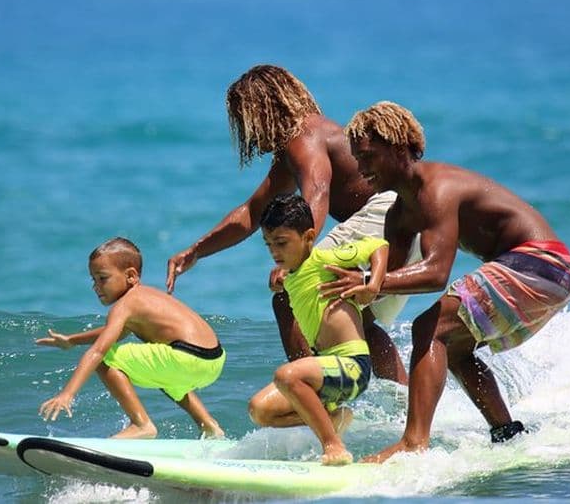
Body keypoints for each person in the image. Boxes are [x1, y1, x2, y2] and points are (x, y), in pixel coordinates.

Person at [321, 101, 570, 462]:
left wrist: (367, 281)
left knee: (431, 326)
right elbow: (384, 282)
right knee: (454, 346)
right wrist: (336, 309)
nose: (361, 170)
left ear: (398, 150)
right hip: (545, 272)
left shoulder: (436, 188)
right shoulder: (399, 212)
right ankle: (506, 432)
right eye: (357, 159)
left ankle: (413, 442)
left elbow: (434, 274)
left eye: (368, 157)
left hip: (543, 263)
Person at [166, 64, 413, 385]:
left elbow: (317, 191)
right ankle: (407, 406)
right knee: (356, 317)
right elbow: (251, 213)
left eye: (245, 119)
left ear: (264, 109)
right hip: (404, 223)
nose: (248, 133)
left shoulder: (304, 136)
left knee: (289, 295)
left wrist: (301, 258)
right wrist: (197, 251)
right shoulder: (295, 149)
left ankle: (311, 394)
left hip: (385, 213)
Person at [247, 193, 389, 465]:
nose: (275, 252)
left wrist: (373, 284)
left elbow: (378, 245)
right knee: (260, 410)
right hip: (325, 369)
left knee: (287, 376)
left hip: (352, 366)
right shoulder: (290, 274)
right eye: (268, 245)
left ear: (309, 237)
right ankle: (335, 418)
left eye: (282, 243)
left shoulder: (325, 259)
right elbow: (293, 279)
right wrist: (283, 279)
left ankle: (334, 446)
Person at [37, 237, 226, 439]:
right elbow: (114, 332)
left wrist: (68, 394)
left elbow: (99, 350)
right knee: (161, 372)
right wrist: (71, 340)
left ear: (131, 276)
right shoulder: (146, 297)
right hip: (213, 362)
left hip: (184, 357)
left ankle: (141, 424)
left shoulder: (125, 304)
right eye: (93, 280)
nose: (96, 286)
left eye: (103, 278)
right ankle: (209, 425)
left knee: (104, 358)